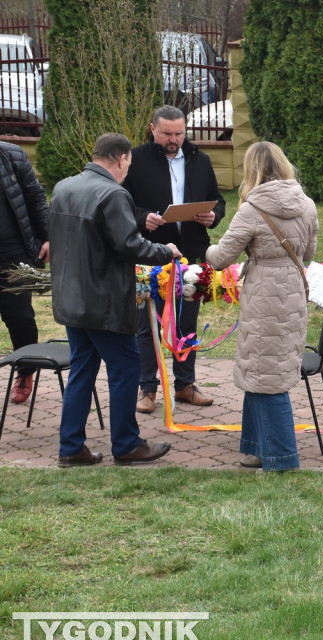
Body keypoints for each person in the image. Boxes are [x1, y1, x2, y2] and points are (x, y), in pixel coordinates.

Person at [49, 133, 179, 467]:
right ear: (121, 158)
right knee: (125, 368)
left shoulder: (64, 186)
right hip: (102, 301)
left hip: (71, 297)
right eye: (127, 165)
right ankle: (126, 444)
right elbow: (130, 245)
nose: (126, 170)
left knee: (82, 368)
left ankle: (71, 446)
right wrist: (166, 251)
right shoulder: (113, 193)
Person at [205, 141, 318, 473]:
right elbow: (309, 253)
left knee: (267, 376)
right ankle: (256, 448)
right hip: (293, 291)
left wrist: (206, 248)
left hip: (264, 292)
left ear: (250, 171)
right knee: (262, 369)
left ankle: (282, 459)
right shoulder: (307, 204)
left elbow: (223, 257)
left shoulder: (251, 209)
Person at [123, 105, 226, 414]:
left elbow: (218, 200)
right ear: (153, 129)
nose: (174, 139)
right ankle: (148, 389)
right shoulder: (135, 160)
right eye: (167, 133)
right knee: (147, 326)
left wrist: (213, 215)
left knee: (186, 322)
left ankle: (185, 385)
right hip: (150, 253)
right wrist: (144, 218)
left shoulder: (199, 159)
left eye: (179, 133)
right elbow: (122, 202)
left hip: (191, 253)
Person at [0, 141, 49, 405]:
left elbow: (36, 197)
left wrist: (48, 237)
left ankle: (25, 371)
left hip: (13, 255)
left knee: (19, 317)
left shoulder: (12, 155)